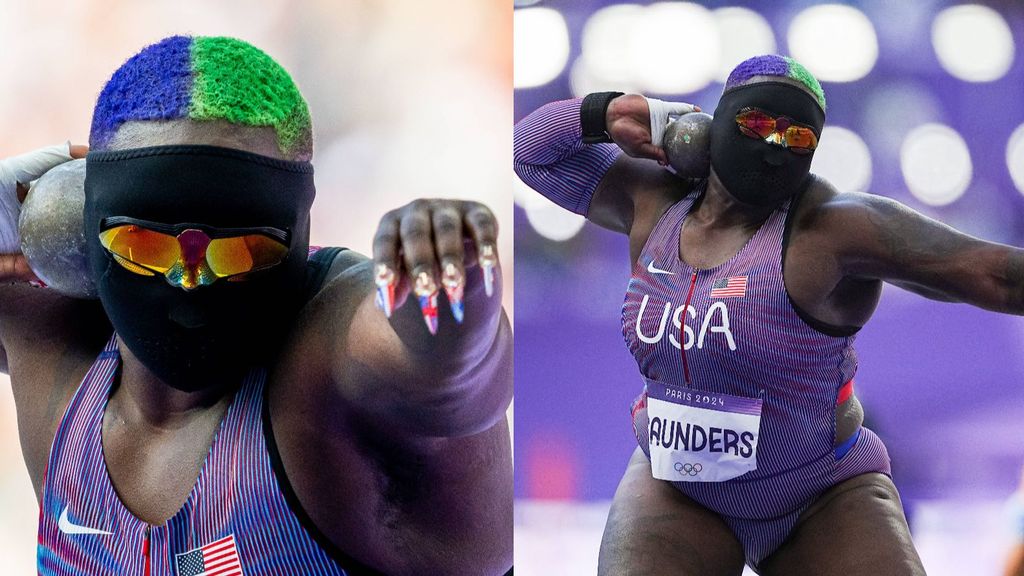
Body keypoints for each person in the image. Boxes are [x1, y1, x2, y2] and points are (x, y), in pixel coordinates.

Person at [1, 35, 512, 576]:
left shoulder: (330, 363)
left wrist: (451, 290)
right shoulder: (50, 340)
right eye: (145, 244)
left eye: (239, 249)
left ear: (298, 231)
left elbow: (450, 373)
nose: (190, 279)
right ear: (83, 219)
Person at [513, 53, 1024, 575]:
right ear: (711, 127)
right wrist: (605, 114)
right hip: (679, 490)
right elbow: (528, 152)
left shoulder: (834, 228)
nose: (775, 147)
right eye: (757, 124)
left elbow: (1000, 275)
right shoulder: (652, 202)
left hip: (819, 498)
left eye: (798, 138)